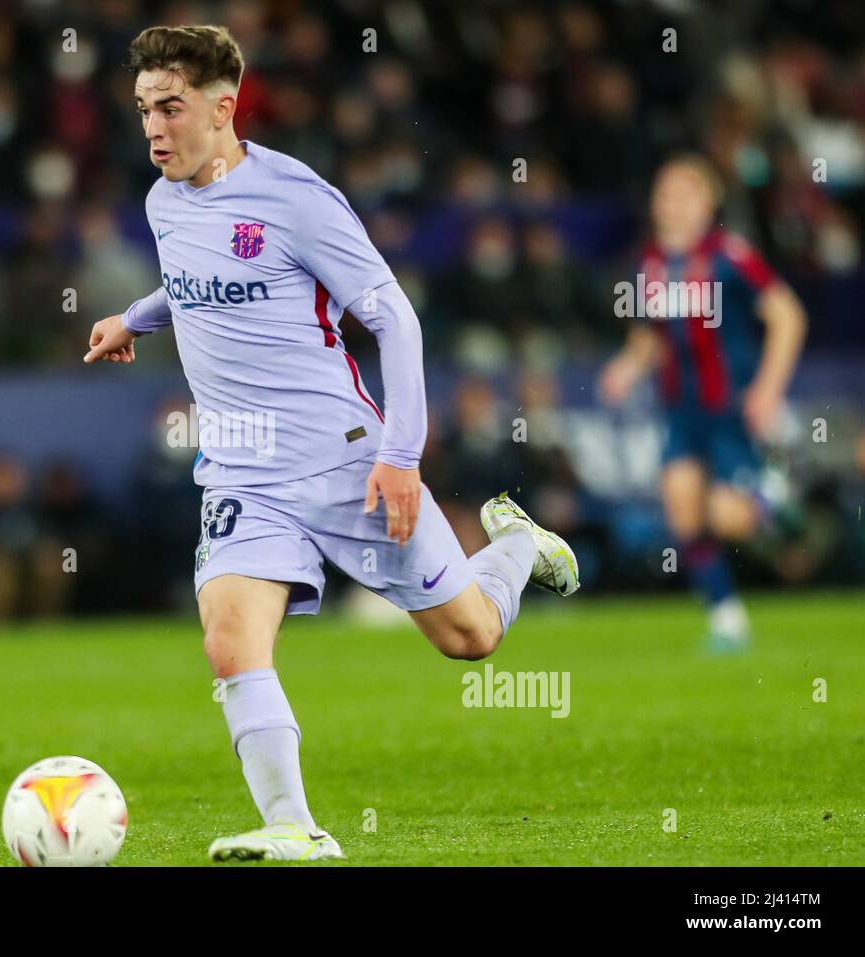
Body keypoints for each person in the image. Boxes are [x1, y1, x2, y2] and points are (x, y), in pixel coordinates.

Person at [83, 25, 579, 862]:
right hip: (242, 470)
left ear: (223, 108)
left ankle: (519, 546)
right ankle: (292, 824)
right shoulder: (162, 203)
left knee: (470, 638)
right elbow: (194, 282)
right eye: (142, 111)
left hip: (346, 460)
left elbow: (395, 317)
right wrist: (133, 317)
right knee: (229, 640)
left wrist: (401, 454)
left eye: (170, 108)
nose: (154, 129)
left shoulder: (297, 197)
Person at [600, 155, 807, 652]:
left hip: (729, 410)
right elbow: (650, 336)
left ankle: (776, 496)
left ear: (707, 201)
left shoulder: (729, 256)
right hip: (679, 411)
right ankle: (727, 620)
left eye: (684, 194)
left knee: (727, 516)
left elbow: (788, 316)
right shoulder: (648, 263)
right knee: (683, 514)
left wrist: (769, 388)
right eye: (665, 194)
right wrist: (627, 367)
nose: (672, 204)